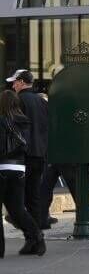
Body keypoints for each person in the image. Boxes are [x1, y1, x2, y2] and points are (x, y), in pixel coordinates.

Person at [0, 89, 45, 258]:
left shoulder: (1, 121)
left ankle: (0, 249)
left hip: (2, 168)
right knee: (18, 209)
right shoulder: (24, 121)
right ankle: (37, 236)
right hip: (19, 169)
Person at [8, 70, 48, 231]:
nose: (13, 85)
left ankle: (23, 224)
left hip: (22, 155)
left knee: (17, 194)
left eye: (15, 82)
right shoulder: (42, 102)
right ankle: (36, 232)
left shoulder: (17, 101)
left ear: (22, 82)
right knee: (34, 195)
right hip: (39, 153)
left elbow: (13, 128)